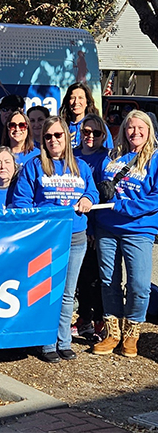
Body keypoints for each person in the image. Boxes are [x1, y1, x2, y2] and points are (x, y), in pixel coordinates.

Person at [12, 116, 98, 363]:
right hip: (47, 239)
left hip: (75, 237)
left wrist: (88, 199)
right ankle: (47, 342)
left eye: (58, 135)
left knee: (68, 292)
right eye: (48, 136)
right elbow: (22, 201)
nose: (53, 140)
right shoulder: (34, 166)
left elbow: (90, 190)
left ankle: (64, 340)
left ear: (67, 137)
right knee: (47, 291)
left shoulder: (80, 166)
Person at [92, 110, 158, 358]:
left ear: (149, 130)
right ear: (123, 130)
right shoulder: (112, 155)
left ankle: (132, 332)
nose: (135, 132)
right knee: (108, 281)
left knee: (139, 284)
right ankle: (113, 332)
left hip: (138, 228)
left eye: (141, 127)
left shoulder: (154, 157)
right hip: (106, 227)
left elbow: (156, 197)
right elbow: (96, 186)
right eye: (130, 127)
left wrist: (123, 206)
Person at [72, 114, 110, 342]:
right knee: (81, 277)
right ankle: (84, 317)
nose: (90, 136)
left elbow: (99, 197)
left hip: (95, 225)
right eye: (86, 131)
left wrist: (93, 229)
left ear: (103, 136)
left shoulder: (106, 158)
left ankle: (100, 320)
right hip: (76, 226)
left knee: (96, 276)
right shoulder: (72, 156)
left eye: (96, 133)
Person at [59, 82, 113, 149]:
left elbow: (108, 152)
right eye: (72, 98)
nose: (76, 102)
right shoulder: (61, 126)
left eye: (80, 98)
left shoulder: (98, 126)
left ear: (87, 102)